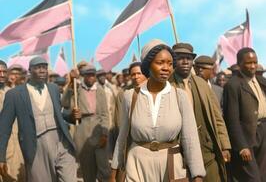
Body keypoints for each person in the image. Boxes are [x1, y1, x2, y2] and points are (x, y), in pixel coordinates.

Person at [110, 39, 205, 182]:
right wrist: (113, 173)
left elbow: (190, 139)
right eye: (160, 63)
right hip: (137, 166)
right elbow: (122, 138)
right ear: (148, 65)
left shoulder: (180, 97)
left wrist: (197, 175)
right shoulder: (131, 97)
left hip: (172, 168)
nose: (166, 68)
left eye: (169, 63)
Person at [0, 57, 79, 182]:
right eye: (38, 67)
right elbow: (4, 128)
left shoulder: (53, 88)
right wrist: (1, 157)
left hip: (61, 142)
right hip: (35, 146)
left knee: (70, 179)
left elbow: (59, 113)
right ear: (30, 71)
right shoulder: (15, 95)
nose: (42, 70)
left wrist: (72, 117)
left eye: (44, 67)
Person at [169, 43, 231, 182]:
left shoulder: (201, 84)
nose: (185, 61)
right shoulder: (167, 85)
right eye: (180, 58)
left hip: (208, 152)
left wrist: (224, 145)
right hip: (180, 154)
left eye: (188, 58)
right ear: (172, 60)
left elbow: (217, 116)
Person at [223, 47, 266, 182]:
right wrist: (242, 146)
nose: (253, 66)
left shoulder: (261, 81)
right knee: (252, 178)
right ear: (239, 64)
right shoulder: (233, 85)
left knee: (263, 175)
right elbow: (232, 119)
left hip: (263, 133)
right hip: (247, 137)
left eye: (255, 62)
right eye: (248, 63)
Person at [62, 64, 111, 182]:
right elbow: (64, 103)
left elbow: (105, 114)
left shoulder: (100, 90)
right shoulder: (76, 88)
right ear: (83, 76)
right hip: (82, 131)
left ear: (95, 76)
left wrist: (104, 134)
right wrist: (71, 82)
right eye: (87, 75)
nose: (90, 78)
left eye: (92, 75)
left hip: (98, 130)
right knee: (88, 170)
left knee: (104, 168)